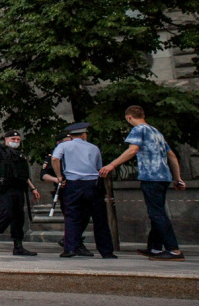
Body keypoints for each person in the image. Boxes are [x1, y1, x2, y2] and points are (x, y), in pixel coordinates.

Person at [99, 106, 187, 261]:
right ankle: (154, 248)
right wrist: (177, 178)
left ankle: (174, 250)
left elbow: (132, 150)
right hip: (164, 177)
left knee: (156, 213)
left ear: (129, 117)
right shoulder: (156, 132)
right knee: (157, 211)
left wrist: (112, 165)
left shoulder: (138, 130)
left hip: (151, 177)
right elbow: (172, 156)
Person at [52, 122, 117, 258]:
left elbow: (55, 159)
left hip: (73, 184)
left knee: (72, 216)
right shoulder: (94, 148)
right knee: (99, 218)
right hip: (92, 184)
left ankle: (70, 248)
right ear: (83, 135)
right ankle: (106, 251)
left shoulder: (63, 146)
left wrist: (59, 176)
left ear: (71, 135)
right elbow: (99, 168)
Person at [0, 129, 40, 256]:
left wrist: (33, 188)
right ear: (6, 139)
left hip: (18, 188)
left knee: (19, 217)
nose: (16, 141)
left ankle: (18, 246)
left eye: (18, 140)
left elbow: (23, 175)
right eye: (13, 139)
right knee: (6, 213)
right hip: (4, 188)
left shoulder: (20, 155)